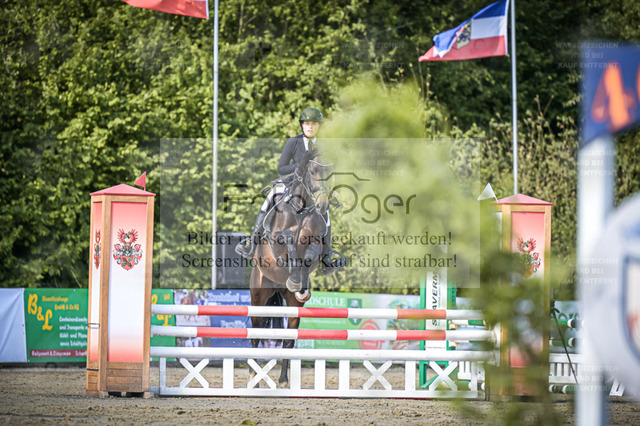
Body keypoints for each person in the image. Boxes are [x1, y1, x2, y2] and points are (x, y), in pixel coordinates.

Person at [235, 107, 346, 275]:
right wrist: (301, 167)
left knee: (326, 211)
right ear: (302, 125)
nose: (310, 127)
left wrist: (331, 188)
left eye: (314, 124)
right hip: (290, 183)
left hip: (315, 188)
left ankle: (327, 256)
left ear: (318, 126)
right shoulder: (293, 143)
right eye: (307, 124)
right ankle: (252, 243)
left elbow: (329, 169)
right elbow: (281, 168)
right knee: (269, 199)